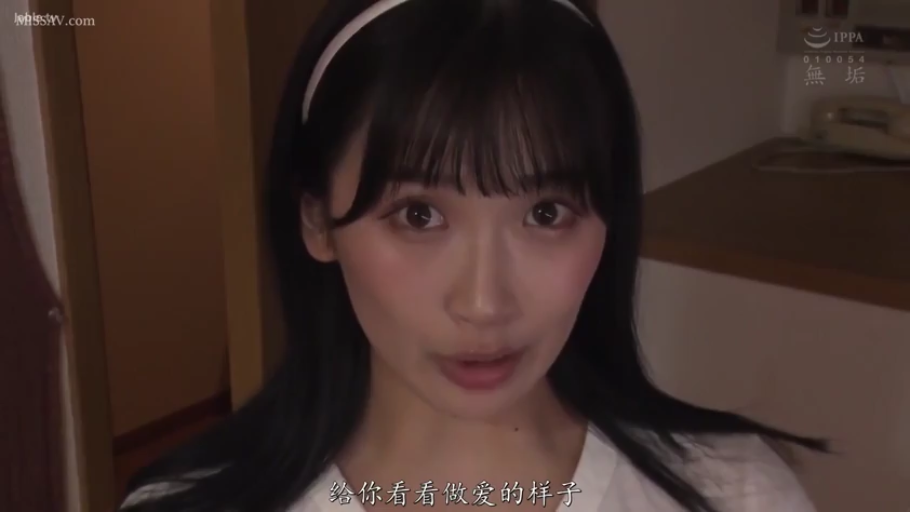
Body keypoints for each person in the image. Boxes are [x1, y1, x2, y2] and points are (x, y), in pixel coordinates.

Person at [120, 0, 827, 510]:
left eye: (545, 214)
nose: (485, 304)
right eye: (419, 215)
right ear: (317, 221)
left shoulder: (737, 495)